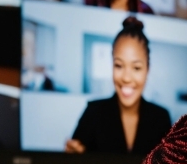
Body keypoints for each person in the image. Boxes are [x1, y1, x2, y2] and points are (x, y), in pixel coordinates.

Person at [66, 17, 171, 154]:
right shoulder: (93, 113)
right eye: (119, 65)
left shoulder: (161, 119)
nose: (126, 78)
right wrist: (72, 157)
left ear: (148, 70)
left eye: (136, 68)